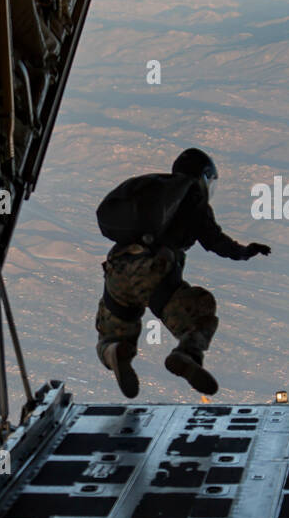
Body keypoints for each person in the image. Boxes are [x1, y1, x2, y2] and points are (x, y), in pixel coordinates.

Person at [95, 148, 269, 397]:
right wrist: (244, 252)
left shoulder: (151, 193)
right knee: (201, 311)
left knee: (111, 334)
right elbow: (215, 241)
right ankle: (187, 354)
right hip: (152, 271)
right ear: (202, 176)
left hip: (117, 269)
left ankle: (114, 351)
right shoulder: (192, 198)